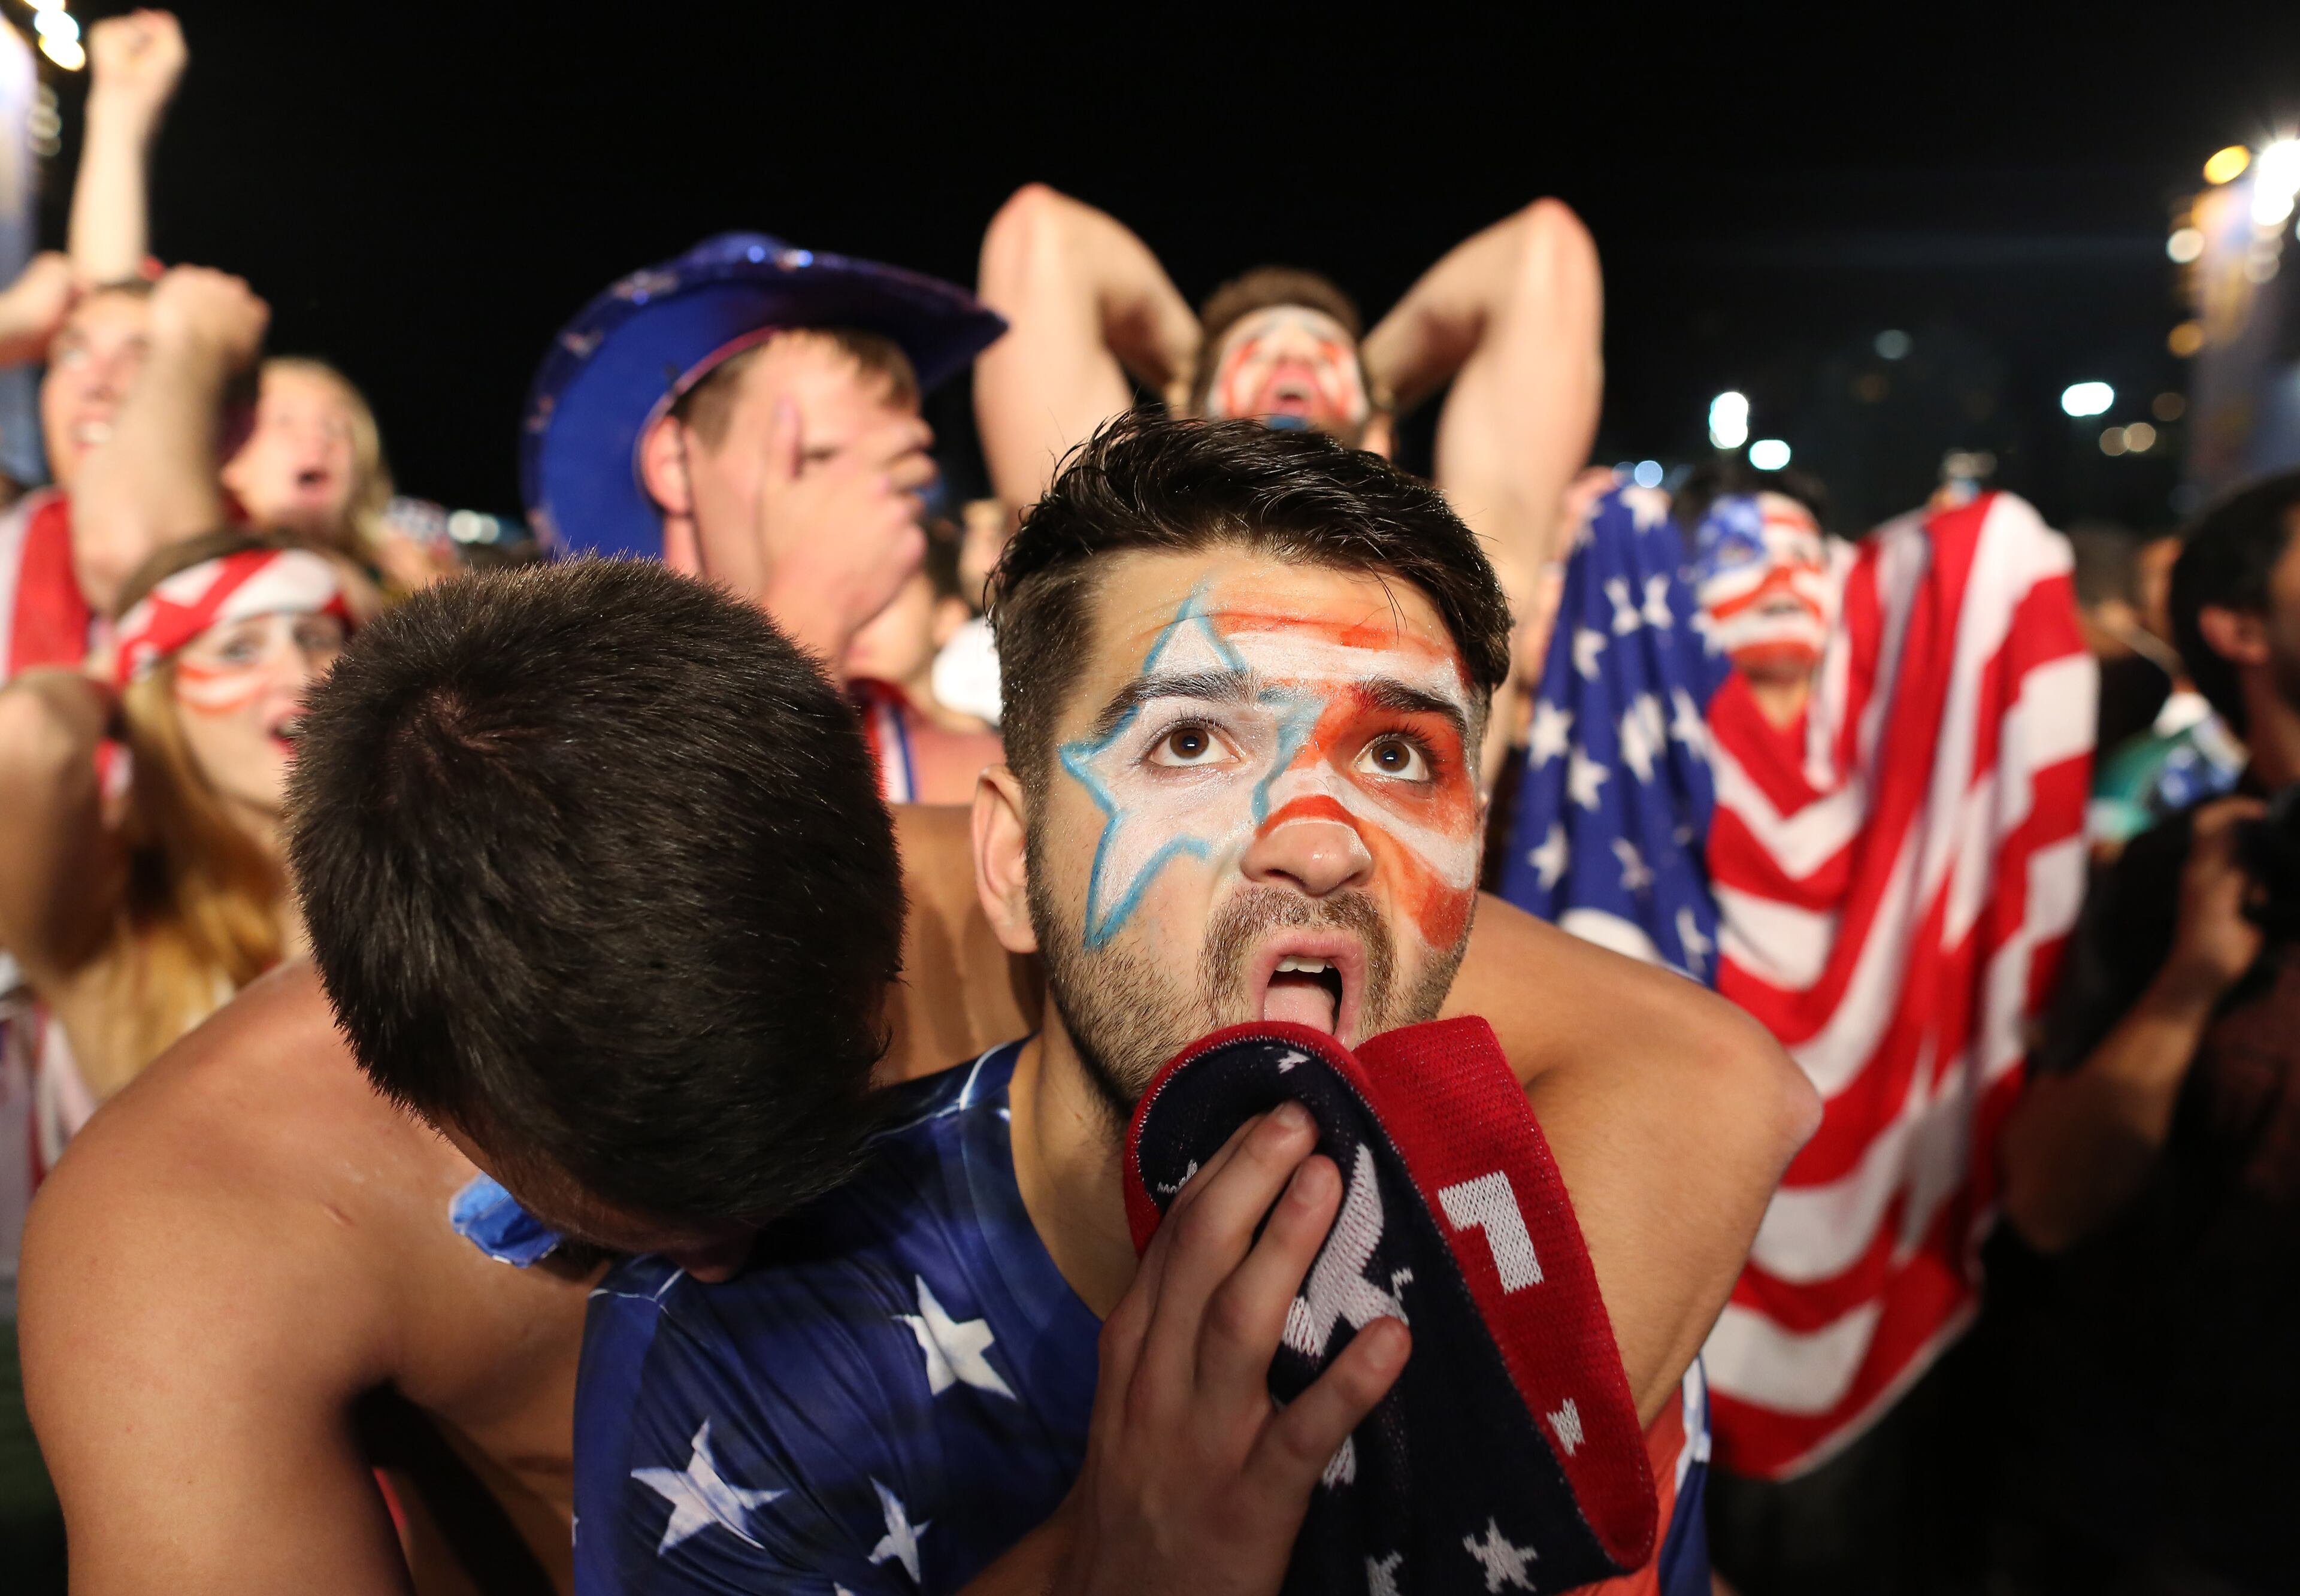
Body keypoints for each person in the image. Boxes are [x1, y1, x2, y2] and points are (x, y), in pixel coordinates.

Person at [554, 418, 1815, 1593]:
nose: (1322, 847)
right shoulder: (741, 1363)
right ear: (1010, 863)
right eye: (1192, 743)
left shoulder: (1559, 1232)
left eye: (1395, 755)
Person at [973, 185, 1603, 790]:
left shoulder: (1457, 583)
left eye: (1321, 356)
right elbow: (1042, 236)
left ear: (1380, 430)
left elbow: (1542, 249)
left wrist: (1369, 391)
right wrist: (1195, 380)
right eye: (1262, 354)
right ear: (1192, 410)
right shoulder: (1104, 557)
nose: (1294, 362)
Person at [1993, 469, 2300, 1596]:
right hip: (2209, 1518)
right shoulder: (2176, 879)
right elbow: (2052, 1200)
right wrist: (2190, 983)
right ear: (2239, 629)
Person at [522, 232, 1007, 802]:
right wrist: (811, 611)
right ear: (676, 464)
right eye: (816, 458)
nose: (867, 522)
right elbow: (686, 868)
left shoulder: (946, 763)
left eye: (896, 482)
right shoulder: (544, 723)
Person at [0, 530, 370, 1151]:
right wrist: (110, 677)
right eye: (238, 650)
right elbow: (27, 735)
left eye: (316, 638)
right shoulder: (111, 928)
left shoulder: (420, 883)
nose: (301, 674)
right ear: (157, 704)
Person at [221, 355, 453, 593]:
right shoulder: (209, 564)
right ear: (229, 459)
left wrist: (433, 597)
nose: (317, 438)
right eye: (284, 420)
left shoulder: (393, 577)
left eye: (335, 428)